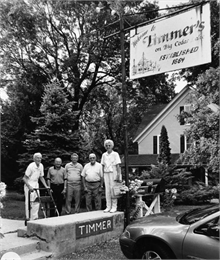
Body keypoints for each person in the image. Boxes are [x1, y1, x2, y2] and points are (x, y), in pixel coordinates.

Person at [23, 152, 49, 225]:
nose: (39, 159)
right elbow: (24, 178)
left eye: (40, 158)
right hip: (29, 183)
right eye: (37, 158)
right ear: (34, 159)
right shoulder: (31, 166)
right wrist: (29, 186)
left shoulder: (41, 166)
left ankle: (34, 218)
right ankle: (28, 218)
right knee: (29, 202)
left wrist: (46, 186)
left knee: (37, 201)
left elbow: (41, 177)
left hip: (36, 184)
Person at [101, 139, 122, 213]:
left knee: (113, 190)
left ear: (112, 146)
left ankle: (114, 207)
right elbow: (102, 166)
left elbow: (118, 165)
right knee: (107, 190)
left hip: (113, 173)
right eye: (106, 145)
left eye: (109, 145)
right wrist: (102, 175)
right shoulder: (104, 155)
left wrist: (118, 175)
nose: (108, 147)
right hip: (106, 173)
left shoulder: (115, 154)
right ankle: (108, 206)